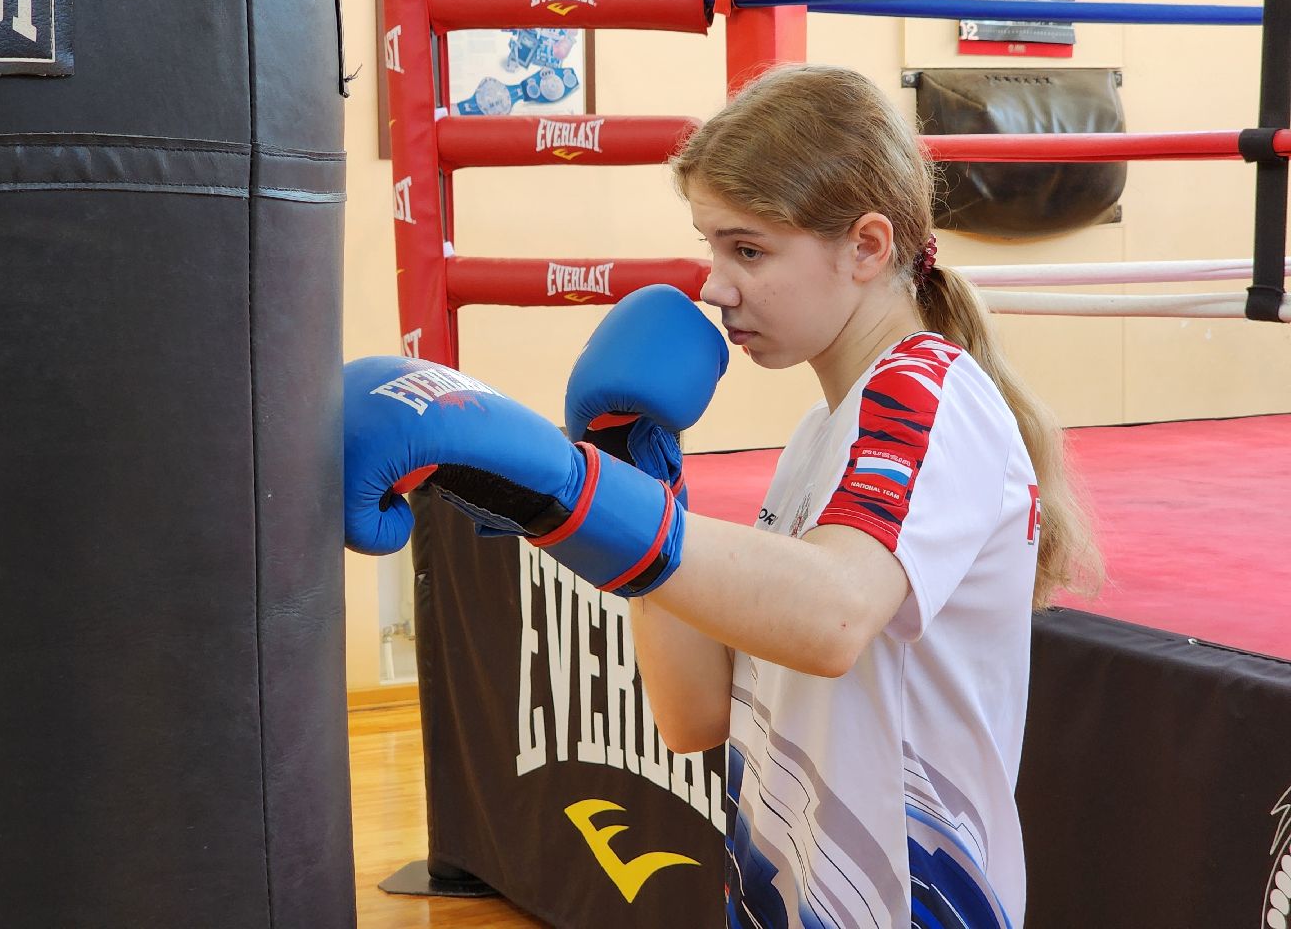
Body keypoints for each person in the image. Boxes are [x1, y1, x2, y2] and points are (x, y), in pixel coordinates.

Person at [343, 64, 1103, 929]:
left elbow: (834, 616)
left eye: (749, 250)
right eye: (711, 246)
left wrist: (565, 490)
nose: (715, 285)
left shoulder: (929, 396)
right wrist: (637, 480)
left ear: (866, 246)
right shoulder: (821, 436)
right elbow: (693, 713)